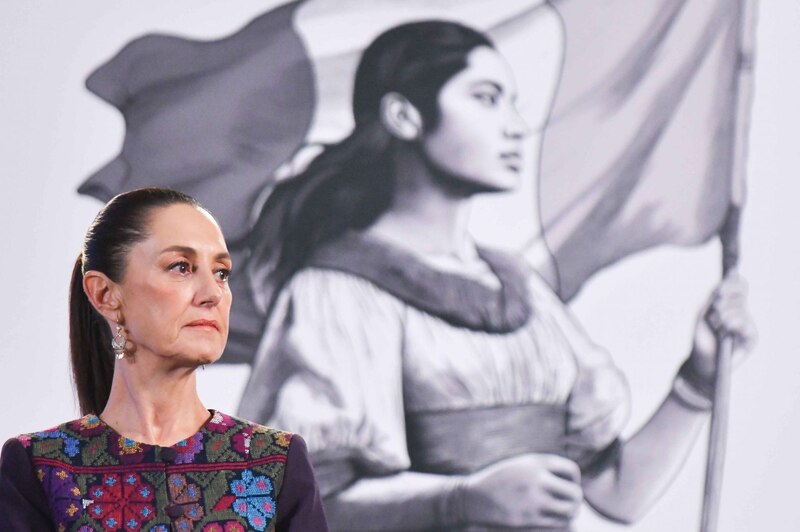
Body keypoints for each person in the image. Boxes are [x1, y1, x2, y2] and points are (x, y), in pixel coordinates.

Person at [236, 21, 756, 531]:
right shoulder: (337, 293)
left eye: (513, 103)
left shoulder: (523, 291)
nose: (514, 126)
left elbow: (617, 494)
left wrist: (699, 378)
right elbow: (298, 504)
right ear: (404, 115)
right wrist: (462, 501)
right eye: (486, 98)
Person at [0, 188, 329, 531]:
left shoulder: (276, 462)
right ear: (105, 295)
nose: (213, 293)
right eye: (181, 267)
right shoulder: (41, 468)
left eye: (221, 272)